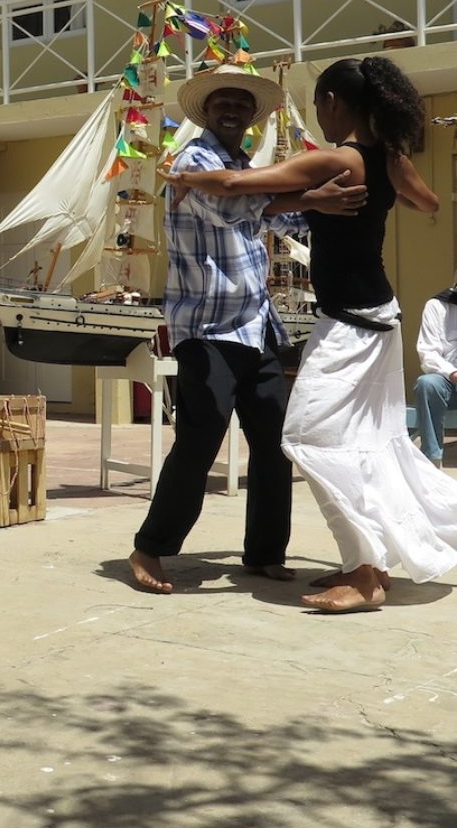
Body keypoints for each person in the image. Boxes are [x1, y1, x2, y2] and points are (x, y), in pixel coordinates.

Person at [171, 56, 457, 613]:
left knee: (309, 436)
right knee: (367, 440)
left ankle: (363, 575)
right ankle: (371, 560)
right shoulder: (385, 158)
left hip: (350, 324)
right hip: (381, 317)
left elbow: (233, 183)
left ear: (332, 102)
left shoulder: (334, 159)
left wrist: (182, 177)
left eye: (320, 104)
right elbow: (428, 202)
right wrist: (382, 186)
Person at [128, 64, 368, 596]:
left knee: (275, 440)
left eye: (241, 103)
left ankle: (264, 552)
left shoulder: (246, 167)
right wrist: (310, 197)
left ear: (252, 116)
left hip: (256, 326)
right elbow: (232, 206)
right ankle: (150, 546)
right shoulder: (193, 161)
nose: (232, 110)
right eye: (223, 102)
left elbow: (281, 218)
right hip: (205, 326)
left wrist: (336, 197)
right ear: (206, 112)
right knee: (202, 435)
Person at [414, 279, 457, 468]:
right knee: (427, 384)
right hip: (449, 383)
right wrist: (453, 373)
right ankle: (432, 459)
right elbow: (428, 352)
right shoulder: (437, 306)